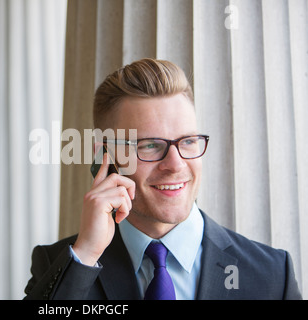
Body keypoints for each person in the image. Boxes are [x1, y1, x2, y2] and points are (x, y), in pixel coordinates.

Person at [24, 58, 302, 300]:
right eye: (149, 145)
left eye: (189, 141)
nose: (176, 164)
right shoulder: (64, 265)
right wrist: (85, 254)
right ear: (104, 158)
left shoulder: (272, 274)